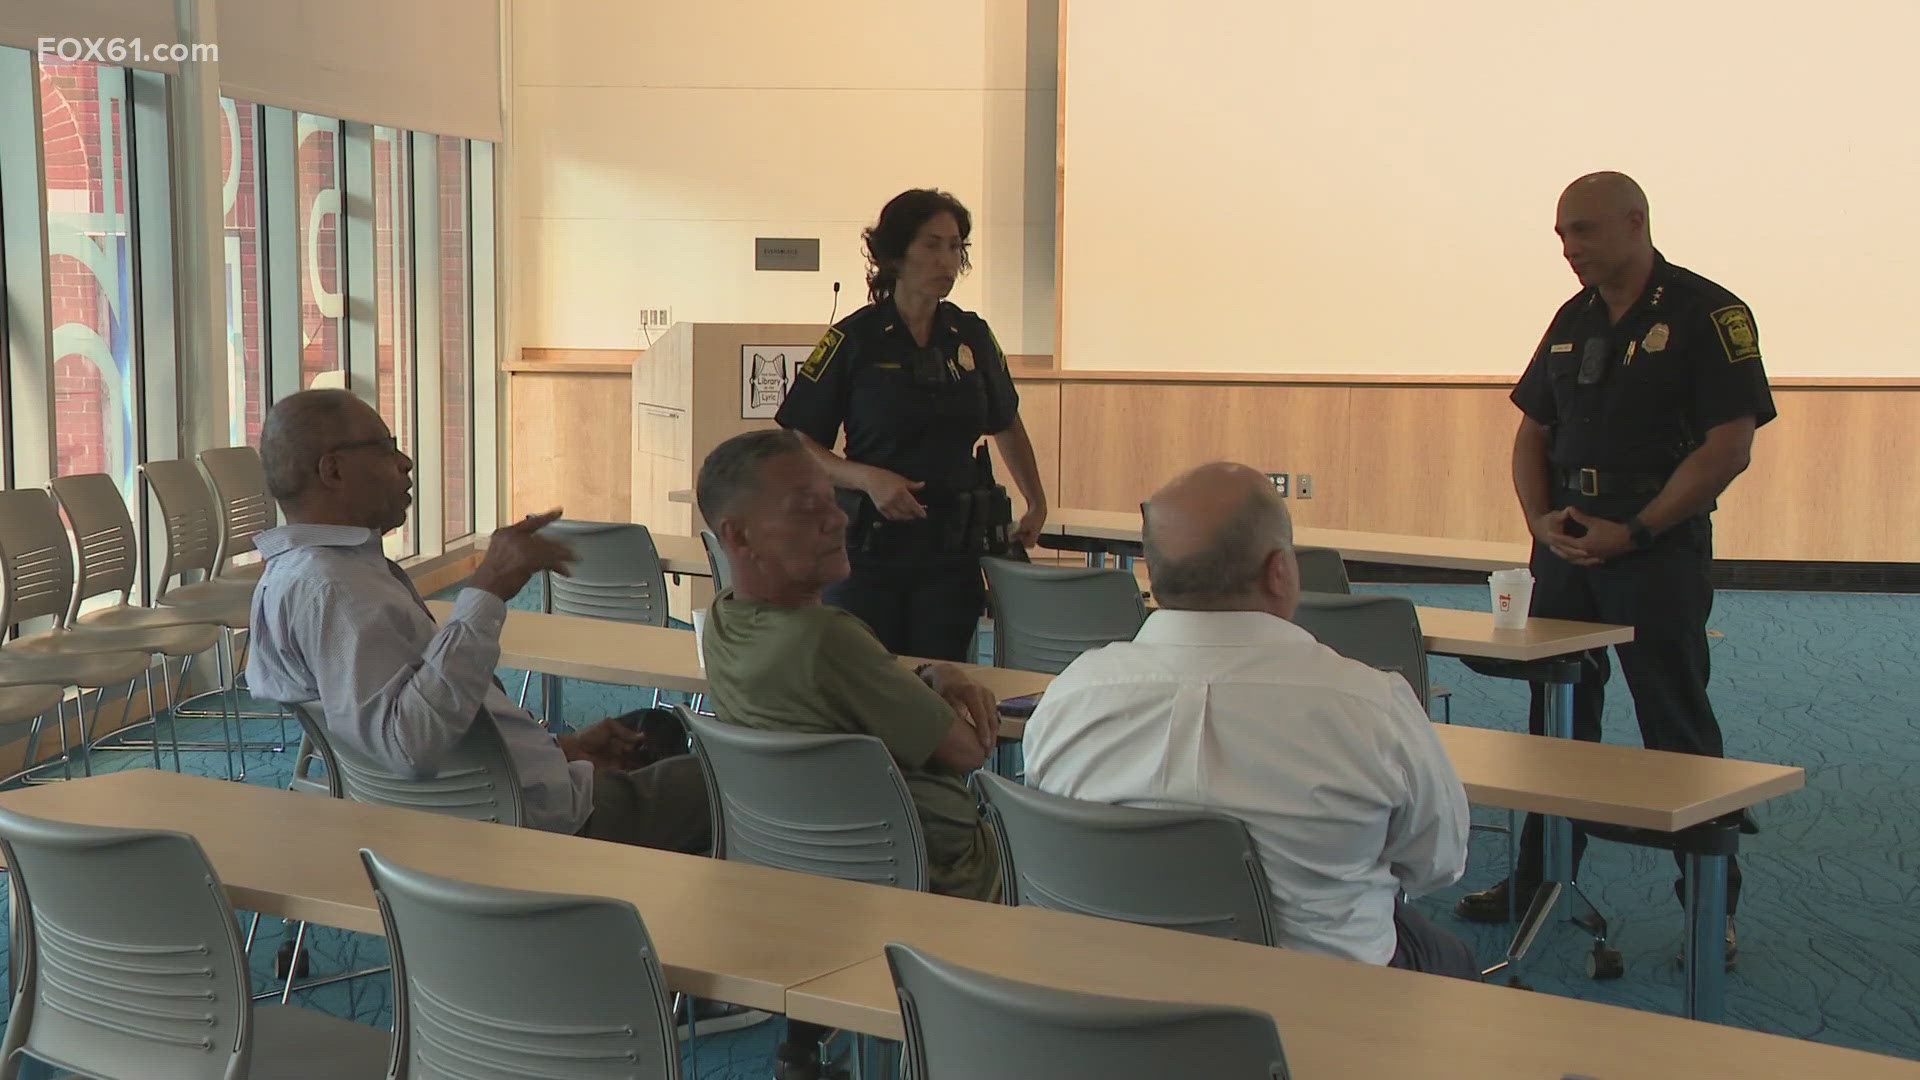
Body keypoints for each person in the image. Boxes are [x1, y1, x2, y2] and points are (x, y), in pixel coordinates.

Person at [1453, 173, 1775, 962]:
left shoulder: (1709, 313)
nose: (1571, 250)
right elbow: (1534, 433)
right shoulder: (1573, 319)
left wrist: (1633, 530)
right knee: (1556, 721)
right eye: (1563, 236)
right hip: (1565, 547)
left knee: (1673, 720)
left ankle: (1710, 908)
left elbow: (1727, 448)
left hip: (1654, 550)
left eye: (1586, 232)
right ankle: (1538, 885)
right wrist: (1539, 522)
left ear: (1636, 223)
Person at [1024, 462, 1479, 980]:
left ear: (1152, 574)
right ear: (1279, 570)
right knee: (1450, 958)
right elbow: (1436, 863)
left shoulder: (1071, 694)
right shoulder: (1370, 705)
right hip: (1325, 1008)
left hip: (1107, 990)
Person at [245, 389, 710, 854]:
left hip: (491, 798)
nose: (405, 462)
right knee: (730, 783)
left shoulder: (296, 575)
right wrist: (488, 588)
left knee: (656, 728)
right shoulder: (337, 591)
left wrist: (561, 750)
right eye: (386, 447)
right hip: (524, 828)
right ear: (334, 470)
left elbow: (424, 718)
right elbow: (408, 746)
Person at [695, 428, 1004, 1079]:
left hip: (804, 878)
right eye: (806, 507)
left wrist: (928, 678)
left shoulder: (723, 621)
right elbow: (969, 749)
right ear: (740, 536)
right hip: (937, 875)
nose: (837, 517)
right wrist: (949, 680)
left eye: (832, 499)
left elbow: (860, 692)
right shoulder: (824, 637)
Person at [774, 188, 1048, 661]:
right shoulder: (853, 339)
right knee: (866, 680)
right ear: (897, 255)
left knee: (941, 684)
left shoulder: (972, 335)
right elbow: (799, 442)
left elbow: (1006, 421)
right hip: (870, 548)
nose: (947, 259)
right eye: (932, 244)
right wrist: (866, 477)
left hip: (952, 550)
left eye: (956, 246)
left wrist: (1036, 500)